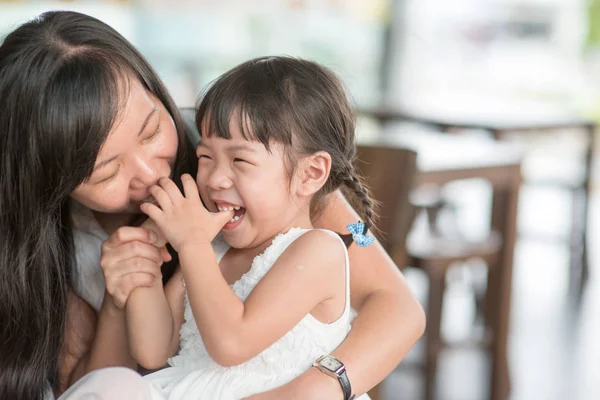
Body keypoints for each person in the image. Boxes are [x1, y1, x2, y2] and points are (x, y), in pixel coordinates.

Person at [0, 10, 425, 400]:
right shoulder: (47, 247)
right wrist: (122, 293)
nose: (150, 173)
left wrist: (318, 388)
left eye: (150, 131)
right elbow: (116, 375)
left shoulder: (244, 158)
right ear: (53, 183)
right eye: (107, 171)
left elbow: (400, 307)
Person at [125, 56, 376, 400]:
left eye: (240, 160)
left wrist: (192, 244)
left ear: (310, 174)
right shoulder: (212, 251)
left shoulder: (318, 250)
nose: (214, 179)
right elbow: (154, 351)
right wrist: (147, 265)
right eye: (206, 158)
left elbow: (231, 343)